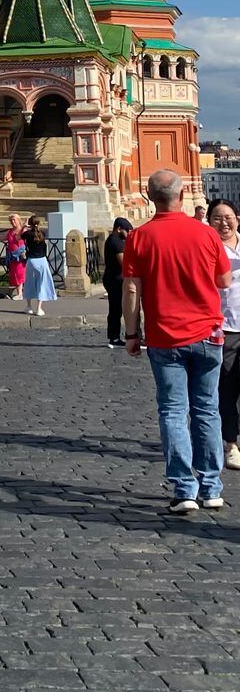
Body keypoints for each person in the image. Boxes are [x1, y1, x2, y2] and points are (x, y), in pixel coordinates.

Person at [122, 169, 231, 515]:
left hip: (164, 336)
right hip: (208, 334)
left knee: (172, 411)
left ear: (150, 197)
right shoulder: (206, 234)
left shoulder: (139, 237)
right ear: (182, 196)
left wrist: (131, 333)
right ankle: (212, 487)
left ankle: (185, 489)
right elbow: (225, 281)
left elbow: (130, 288)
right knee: (207, 409)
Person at [208, 198, 240, 472]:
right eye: (217, 218)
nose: (223, 222)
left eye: (228, 217)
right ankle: (231, 444)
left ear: (237, 219)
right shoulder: (207, 249)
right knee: (227, 388)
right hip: (223, 327)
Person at [103, 217, 133, 347]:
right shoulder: (115, 242)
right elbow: (124, 263)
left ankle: (114, 336)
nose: (128, 234)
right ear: (119, 229)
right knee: (116, 309)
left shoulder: (115, 241)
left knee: (117, 309)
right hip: (115, 280)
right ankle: (114, 337)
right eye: (126, 231)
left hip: (114, 278)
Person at [23, 215, 56, 317]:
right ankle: (39, 308)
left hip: (31, 260)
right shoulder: (42, 233)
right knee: (42, 284)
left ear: (30, 223)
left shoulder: (27, 234)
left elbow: (18, 237)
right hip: (42, 260)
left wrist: (24, 226)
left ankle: (29, 306)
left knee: (29, 282)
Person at [2, 214, 26, 301]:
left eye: (14, 220)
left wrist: (24, 226)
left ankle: (20, 294)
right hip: (12, 256)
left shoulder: (22, 230)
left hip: (19, 256)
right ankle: (19, 292)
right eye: (11, 220)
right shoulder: (10, 231)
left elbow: (18, 238)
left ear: (18, 220)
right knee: (14, 274)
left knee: (19, 273)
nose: (12, 222)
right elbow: (4, 237)